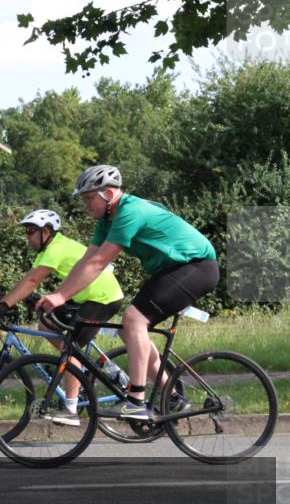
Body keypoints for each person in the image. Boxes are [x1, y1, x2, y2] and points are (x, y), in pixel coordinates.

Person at [37, 165, 218, 420]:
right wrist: (58, 294)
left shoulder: (129, 212)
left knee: (134, 319)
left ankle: (136, 400)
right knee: (129, 329)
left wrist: (61, 297)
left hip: (196, 266)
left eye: (89, 198)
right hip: (172, 270)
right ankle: (173, 397)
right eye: (84, 199)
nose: (85, 205)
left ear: (109, 195)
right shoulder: (105, 221)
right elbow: (86, 262)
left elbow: (99, 264)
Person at [0, 209, 124, 426]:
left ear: (46, 232)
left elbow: (32, 280)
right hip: (84, 296)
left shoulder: (56, 248)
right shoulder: (49, 248)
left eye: (31, 231)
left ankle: (71, 409)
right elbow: (30, 281)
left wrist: (3, 304)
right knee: (45, 324)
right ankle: (80, 372)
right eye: (26, 232)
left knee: (71, 349)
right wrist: (28, 301)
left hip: (102, 297)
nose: (27, 236)